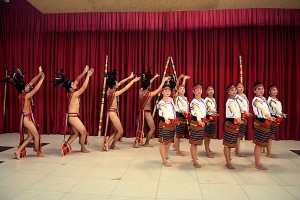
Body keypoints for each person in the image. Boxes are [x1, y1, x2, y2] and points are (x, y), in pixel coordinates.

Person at [4, 66, 45, 159]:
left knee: (31, 137)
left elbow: (32, 82)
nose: (29, 86)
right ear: (23, 89)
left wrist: (39, 74)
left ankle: (18, 151)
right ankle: (38, 152)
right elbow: (36, 89)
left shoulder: (22, 94)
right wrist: (42, 79)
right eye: (26, 86)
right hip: (27, 119)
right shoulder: (26, 96)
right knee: (36, 135)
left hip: (26, 118)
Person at [54, 66, 94, 155]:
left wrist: (83, 73)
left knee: (75, 133)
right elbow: (83, 87)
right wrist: (88, 76)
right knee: (83, 132)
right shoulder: (74, 94)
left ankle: (65, 146)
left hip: (72, 117)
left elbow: (77, 79)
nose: (75, 84)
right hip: (73, 117)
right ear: (70, 88)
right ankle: (83, 148)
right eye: (73, 84)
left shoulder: (70, 92)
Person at [103, 70, 140, 151]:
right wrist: (133, 80)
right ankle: (108, 144)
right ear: (113, 85)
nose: (118, 83)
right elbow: (125, 88)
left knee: (116, 131)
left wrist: (129, 78)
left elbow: (120, 83)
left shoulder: (108, 90)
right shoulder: (114, 93)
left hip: (111, 113)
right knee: (120, 131)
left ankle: (110, 144)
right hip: (112, 113)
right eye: (116, 83)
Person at [134, 70, 170, 148]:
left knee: (142, 128)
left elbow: (148, 83)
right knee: (152, 128)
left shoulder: (140, 91)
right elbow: (160, 89)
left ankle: (136, 142)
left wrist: (154, 77)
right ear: (148, 86)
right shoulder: (149, 94)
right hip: (146, 112)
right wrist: (163, 81)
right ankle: (146, 143)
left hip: (140, 112)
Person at [252, 81, 275, 170]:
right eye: (259, 89)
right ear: (254, 91)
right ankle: (257, 164)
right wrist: (267, 116)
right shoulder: (256, 100)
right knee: (259, 143)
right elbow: (262, 108)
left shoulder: (264, 99)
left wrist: (269, 116)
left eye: (262, 89)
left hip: (265, 121)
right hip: (260, 121)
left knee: (261, 144)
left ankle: (257, 162)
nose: (261, 90)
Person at [157, 82, 177, 167]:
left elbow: (173, 110)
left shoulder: (171, 100)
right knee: (163, 142)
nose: (167, 92)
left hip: (172, 122)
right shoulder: (161, 102)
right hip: (165, 122)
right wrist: (166, 118)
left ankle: (166, 154)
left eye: (169, 90)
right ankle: (164, 160)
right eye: (165, 90)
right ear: (162, 92)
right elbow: (164, 111)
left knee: (169, 141)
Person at [223, 84, 243, 169]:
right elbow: (234, 111)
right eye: (232, 90)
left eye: (235, 90)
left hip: (235, 123)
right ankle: (228, 162)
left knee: (231, 142)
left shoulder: (235, 100)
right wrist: (238, 118)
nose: (234, 91)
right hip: (231, 123)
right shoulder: (230, 101)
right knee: (227, 144)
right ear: (228, 92)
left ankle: (229, 158)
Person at [266, 85, 287, 158]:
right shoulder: (271, 100)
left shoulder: (276, 99)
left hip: (276, 117)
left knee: (269, 135)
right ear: (269, 92)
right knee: (270, 136)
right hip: (272, 117)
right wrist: (281, 113)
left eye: (276, 90)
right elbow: (275, 107)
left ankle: (265, 151)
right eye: (273, 90)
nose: (275, 91)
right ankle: (269, 154)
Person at [189, 83, 207, 168]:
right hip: (196, 121)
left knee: (197, 141)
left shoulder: (203, 100)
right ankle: (195, 161)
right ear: (193, 91)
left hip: (201, 122)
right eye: (197, 89)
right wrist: (199, 120)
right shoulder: (194, 101)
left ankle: (194, 157)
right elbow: (197, 112)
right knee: (194, 142)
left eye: (200, 89)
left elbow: (203, 112)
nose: (199, 91)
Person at [173, 74, 190, 156]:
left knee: (179, 133)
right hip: (179, 115)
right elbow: (179, 106)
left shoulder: (185, 98)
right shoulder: (177, 97)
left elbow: (185, 107)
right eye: (180, 89)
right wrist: (181, 79)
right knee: (178, 134)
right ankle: (177, 150)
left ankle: (175, 146)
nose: (182, 89)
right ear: (178, 90)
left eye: (183, 88)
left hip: (184, 116)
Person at [235, 82, 252, 156]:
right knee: (238, 134)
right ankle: (237, 151)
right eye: (239, 87)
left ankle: (237, 150)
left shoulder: (244, 96)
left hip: (245, 116)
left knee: (241, 134)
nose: (241, 88)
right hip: (239, 116)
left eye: (242, 87)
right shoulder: (236, 97)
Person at [204, 85, 218, 158]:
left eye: (212, 89)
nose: (211, 91)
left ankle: (208, 148)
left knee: (210, 136)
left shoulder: (213, 99)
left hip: (213, 118)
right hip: (208, 118)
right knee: (207, 135)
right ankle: (207, 151)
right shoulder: (206, 100)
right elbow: (209, 108)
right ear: (206, 92)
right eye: (209, 90)